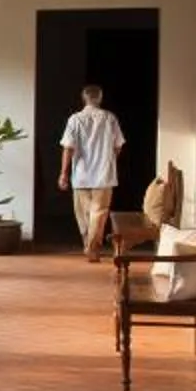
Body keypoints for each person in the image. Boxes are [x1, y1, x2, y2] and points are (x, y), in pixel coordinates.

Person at [57, 84, 127, 261]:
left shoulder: (75, 119)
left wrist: (63, 173)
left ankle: (89, 246)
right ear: (100, 98)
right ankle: (92, 246)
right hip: (104, 174)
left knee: (83, 213)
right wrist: (110, 160)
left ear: (84, 98)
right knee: (99, 213)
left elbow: (68, 148)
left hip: (81, 174)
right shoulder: (110, 118)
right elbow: (118, 146)